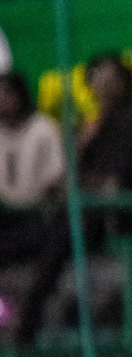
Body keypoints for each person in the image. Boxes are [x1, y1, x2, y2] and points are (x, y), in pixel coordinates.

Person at [0, 71, 67, 342]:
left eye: (5, 95)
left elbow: (54, 182)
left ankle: (20, 317)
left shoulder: (43, 128)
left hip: (38, 216)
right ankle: (5, 313)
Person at [77, 53, 132, 194]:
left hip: (120, 212)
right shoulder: (87, 126)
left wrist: (77, 183)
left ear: (123, 83)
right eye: (96, 77)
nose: (103, 84)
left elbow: (114, 186)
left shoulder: (131, 126)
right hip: (84, 211)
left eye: (110, 79)